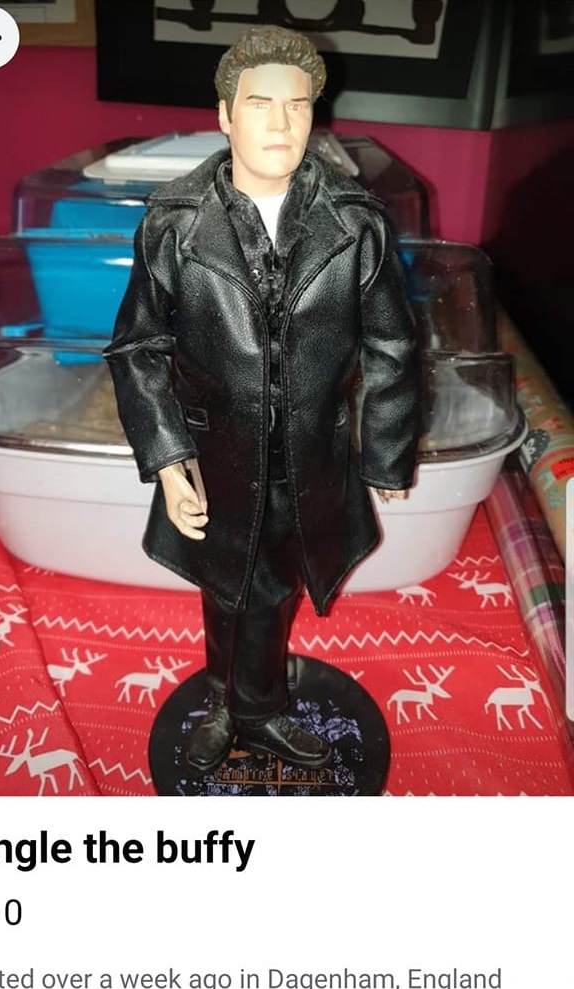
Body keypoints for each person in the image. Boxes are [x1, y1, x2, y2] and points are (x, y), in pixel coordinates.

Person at [104, 24, 420, 774]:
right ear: (224, 114)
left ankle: (252, 705)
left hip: (310, 455)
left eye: (298, 105)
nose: (281, 124)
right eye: (259, 104)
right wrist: (169, 458)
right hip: (216, 453)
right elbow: (138, 348)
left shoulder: (354, 222)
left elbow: (393, 345)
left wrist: (384, 454)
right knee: (225, 584)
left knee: (273, 586)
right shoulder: (175, 222)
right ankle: (236, 699)